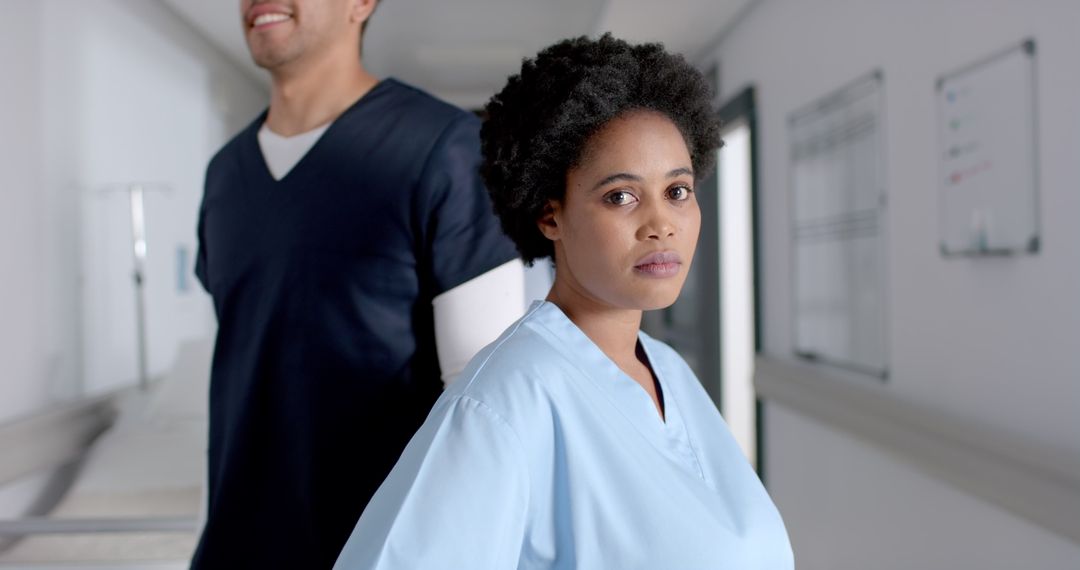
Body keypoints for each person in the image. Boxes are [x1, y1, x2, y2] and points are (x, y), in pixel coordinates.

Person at [333, 34, 794, 569]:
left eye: (677, 191)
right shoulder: (502, 403)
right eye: (621, 196)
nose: (661, 225)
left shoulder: (668, 372)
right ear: (550, 216)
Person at [192, 0, 524, 567]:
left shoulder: (447, 148)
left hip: (376, 547)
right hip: (235, 544)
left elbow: (484, 406)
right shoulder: (225, 174)